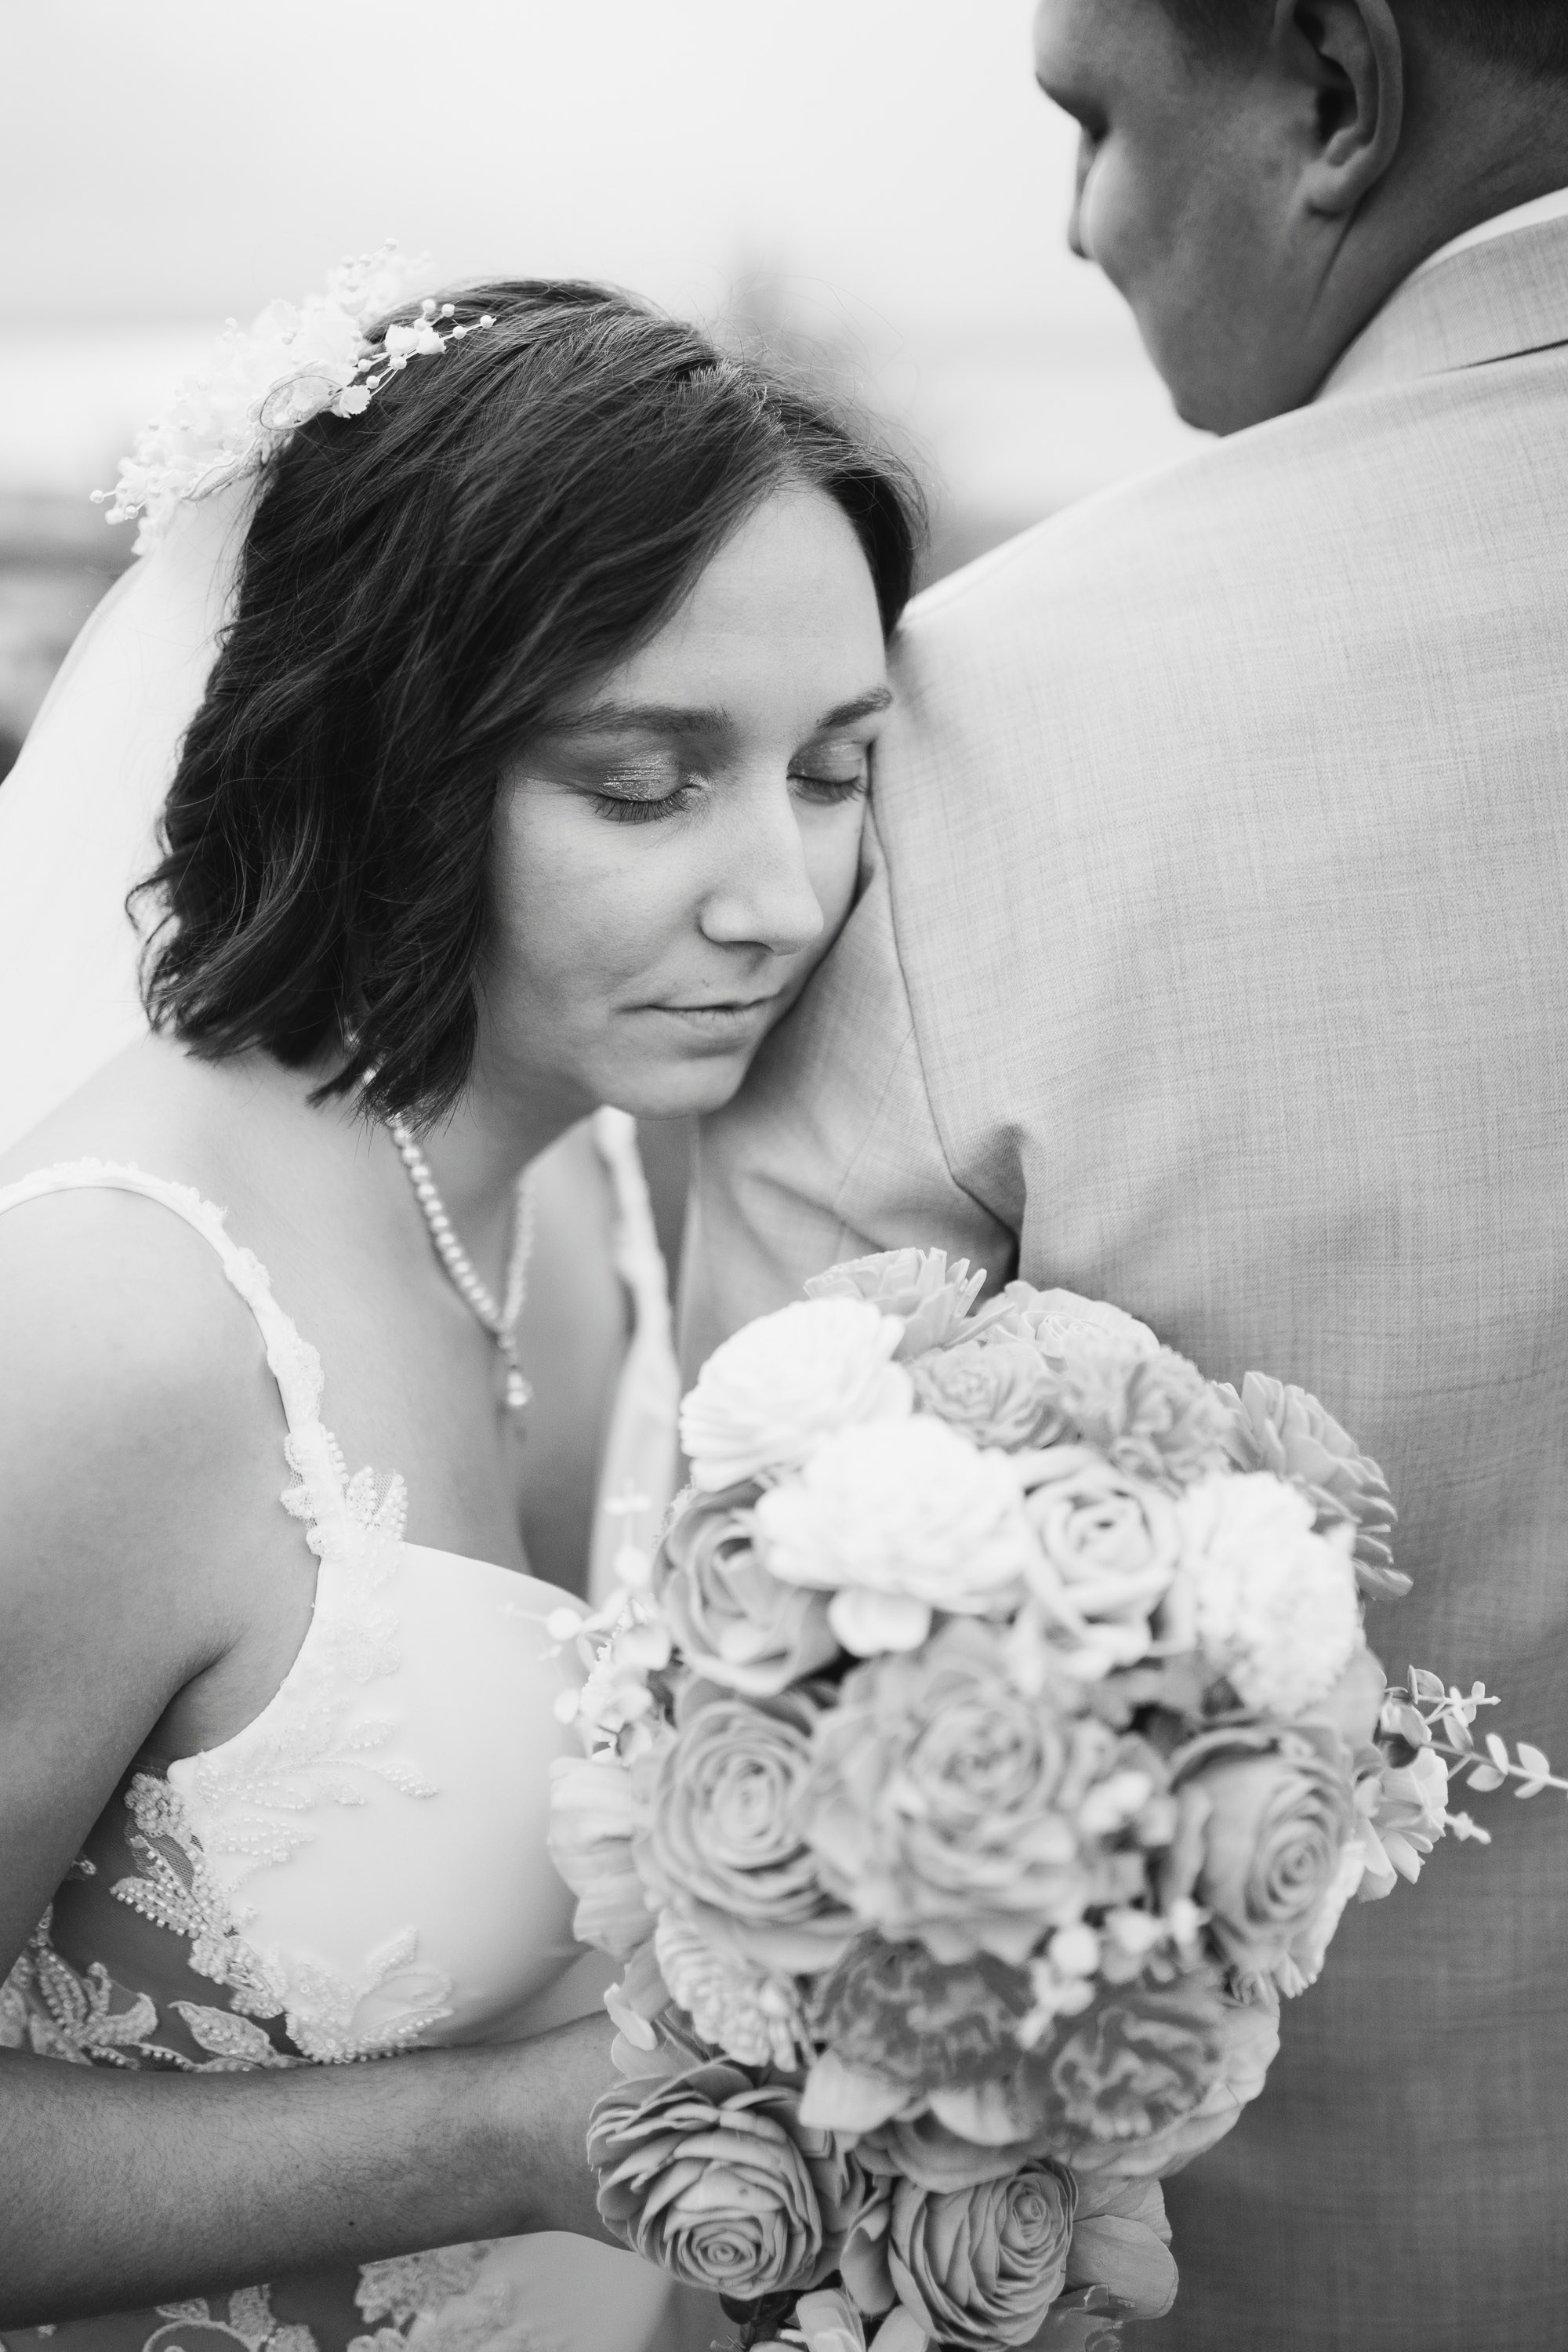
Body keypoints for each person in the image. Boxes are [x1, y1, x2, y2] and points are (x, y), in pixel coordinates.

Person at [682, 2, 1568, 2347]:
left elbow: (751, 1658)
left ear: (1334, 93)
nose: (1073, 221)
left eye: (1092, 115)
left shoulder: (979, 729)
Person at [0, 268, 922, 2347]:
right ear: (398, 750)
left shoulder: (584, 1179)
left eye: (835, 768)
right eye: (646, 778)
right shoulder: (112, 1327)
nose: (780, 895)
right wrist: (514, 2139)